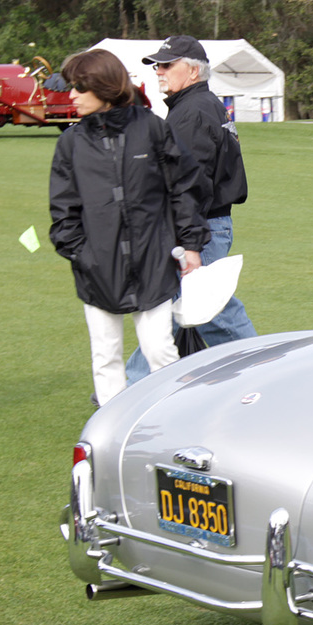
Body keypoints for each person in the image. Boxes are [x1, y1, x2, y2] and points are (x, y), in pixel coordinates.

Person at [49, 48, 210, 406]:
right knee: (105, 359)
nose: (71, 95)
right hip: (98, 270)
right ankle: (110, 438)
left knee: (161, 353)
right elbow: (63, 213)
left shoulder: (151, 128)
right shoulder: (70, 144)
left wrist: (191, 246)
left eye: (78, 87)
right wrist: (84, 256)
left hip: (154, 264)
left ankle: (173, 423)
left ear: (103, 87)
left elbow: (182, 189)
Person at [125, 35, 257, 382]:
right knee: (177, 309)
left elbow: (190, 183)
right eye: (158, 65)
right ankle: (132, 383)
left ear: (193, 70)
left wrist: (190, 242)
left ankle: (261, 373)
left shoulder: (191, 113)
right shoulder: (199, 105)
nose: (159, 71)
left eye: (167, 64)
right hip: (206, 224)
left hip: (201, 227)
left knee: (213, 311)